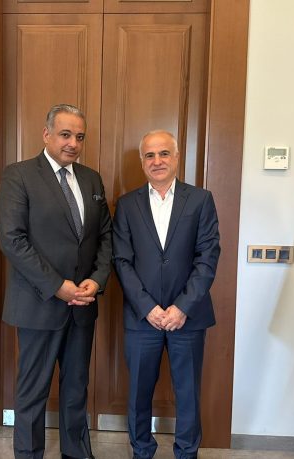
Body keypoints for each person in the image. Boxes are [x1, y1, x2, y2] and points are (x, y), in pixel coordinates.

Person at [0, 104, 112, 459]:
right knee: (32, 392)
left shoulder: (91, 179)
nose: (73, 143)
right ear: (46, 134)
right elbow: (12, 239)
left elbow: (105, 236)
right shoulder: (19, 175)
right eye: (65, 134)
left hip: (83, 306)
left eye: (79, 136)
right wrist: (57, 286)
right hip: (39, 304)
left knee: (76, 389)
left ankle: (76, 453)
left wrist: (97, 280)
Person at [112, 130, 220, 459]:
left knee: (187, 393)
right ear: (142, 161)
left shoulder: (200, 200)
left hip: (188, 317)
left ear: (176, 158)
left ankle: (186, 453)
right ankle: (142, 451)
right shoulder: (127, 205)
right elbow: (122, 260)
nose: (157, 161)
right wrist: (147, 308)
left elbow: (208, 257)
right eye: (149, 155)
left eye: (163, 154)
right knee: (138, 393)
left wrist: (182, 307)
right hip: (141, 318)